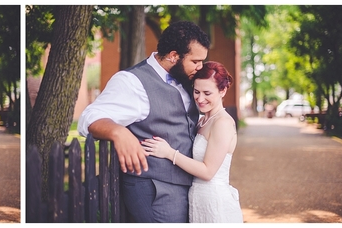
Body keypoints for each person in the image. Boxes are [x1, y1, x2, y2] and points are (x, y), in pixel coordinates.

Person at [78, 21, 211, 223]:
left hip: (189, 187)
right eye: (196, 61)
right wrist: (118, 132)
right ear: (174, 56)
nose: (200, 67)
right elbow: (88, 117)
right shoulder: (131, 82)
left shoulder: (185, 78)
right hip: (154, 191)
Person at [141, 61, 242, 223]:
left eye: (207, 93)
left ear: (222, 91)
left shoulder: (222, 123)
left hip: (214, 201)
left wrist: (169, 153)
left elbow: (208, 172)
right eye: (196, 91)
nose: (200, 99)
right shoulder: (202, 120)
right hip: (198, 198)